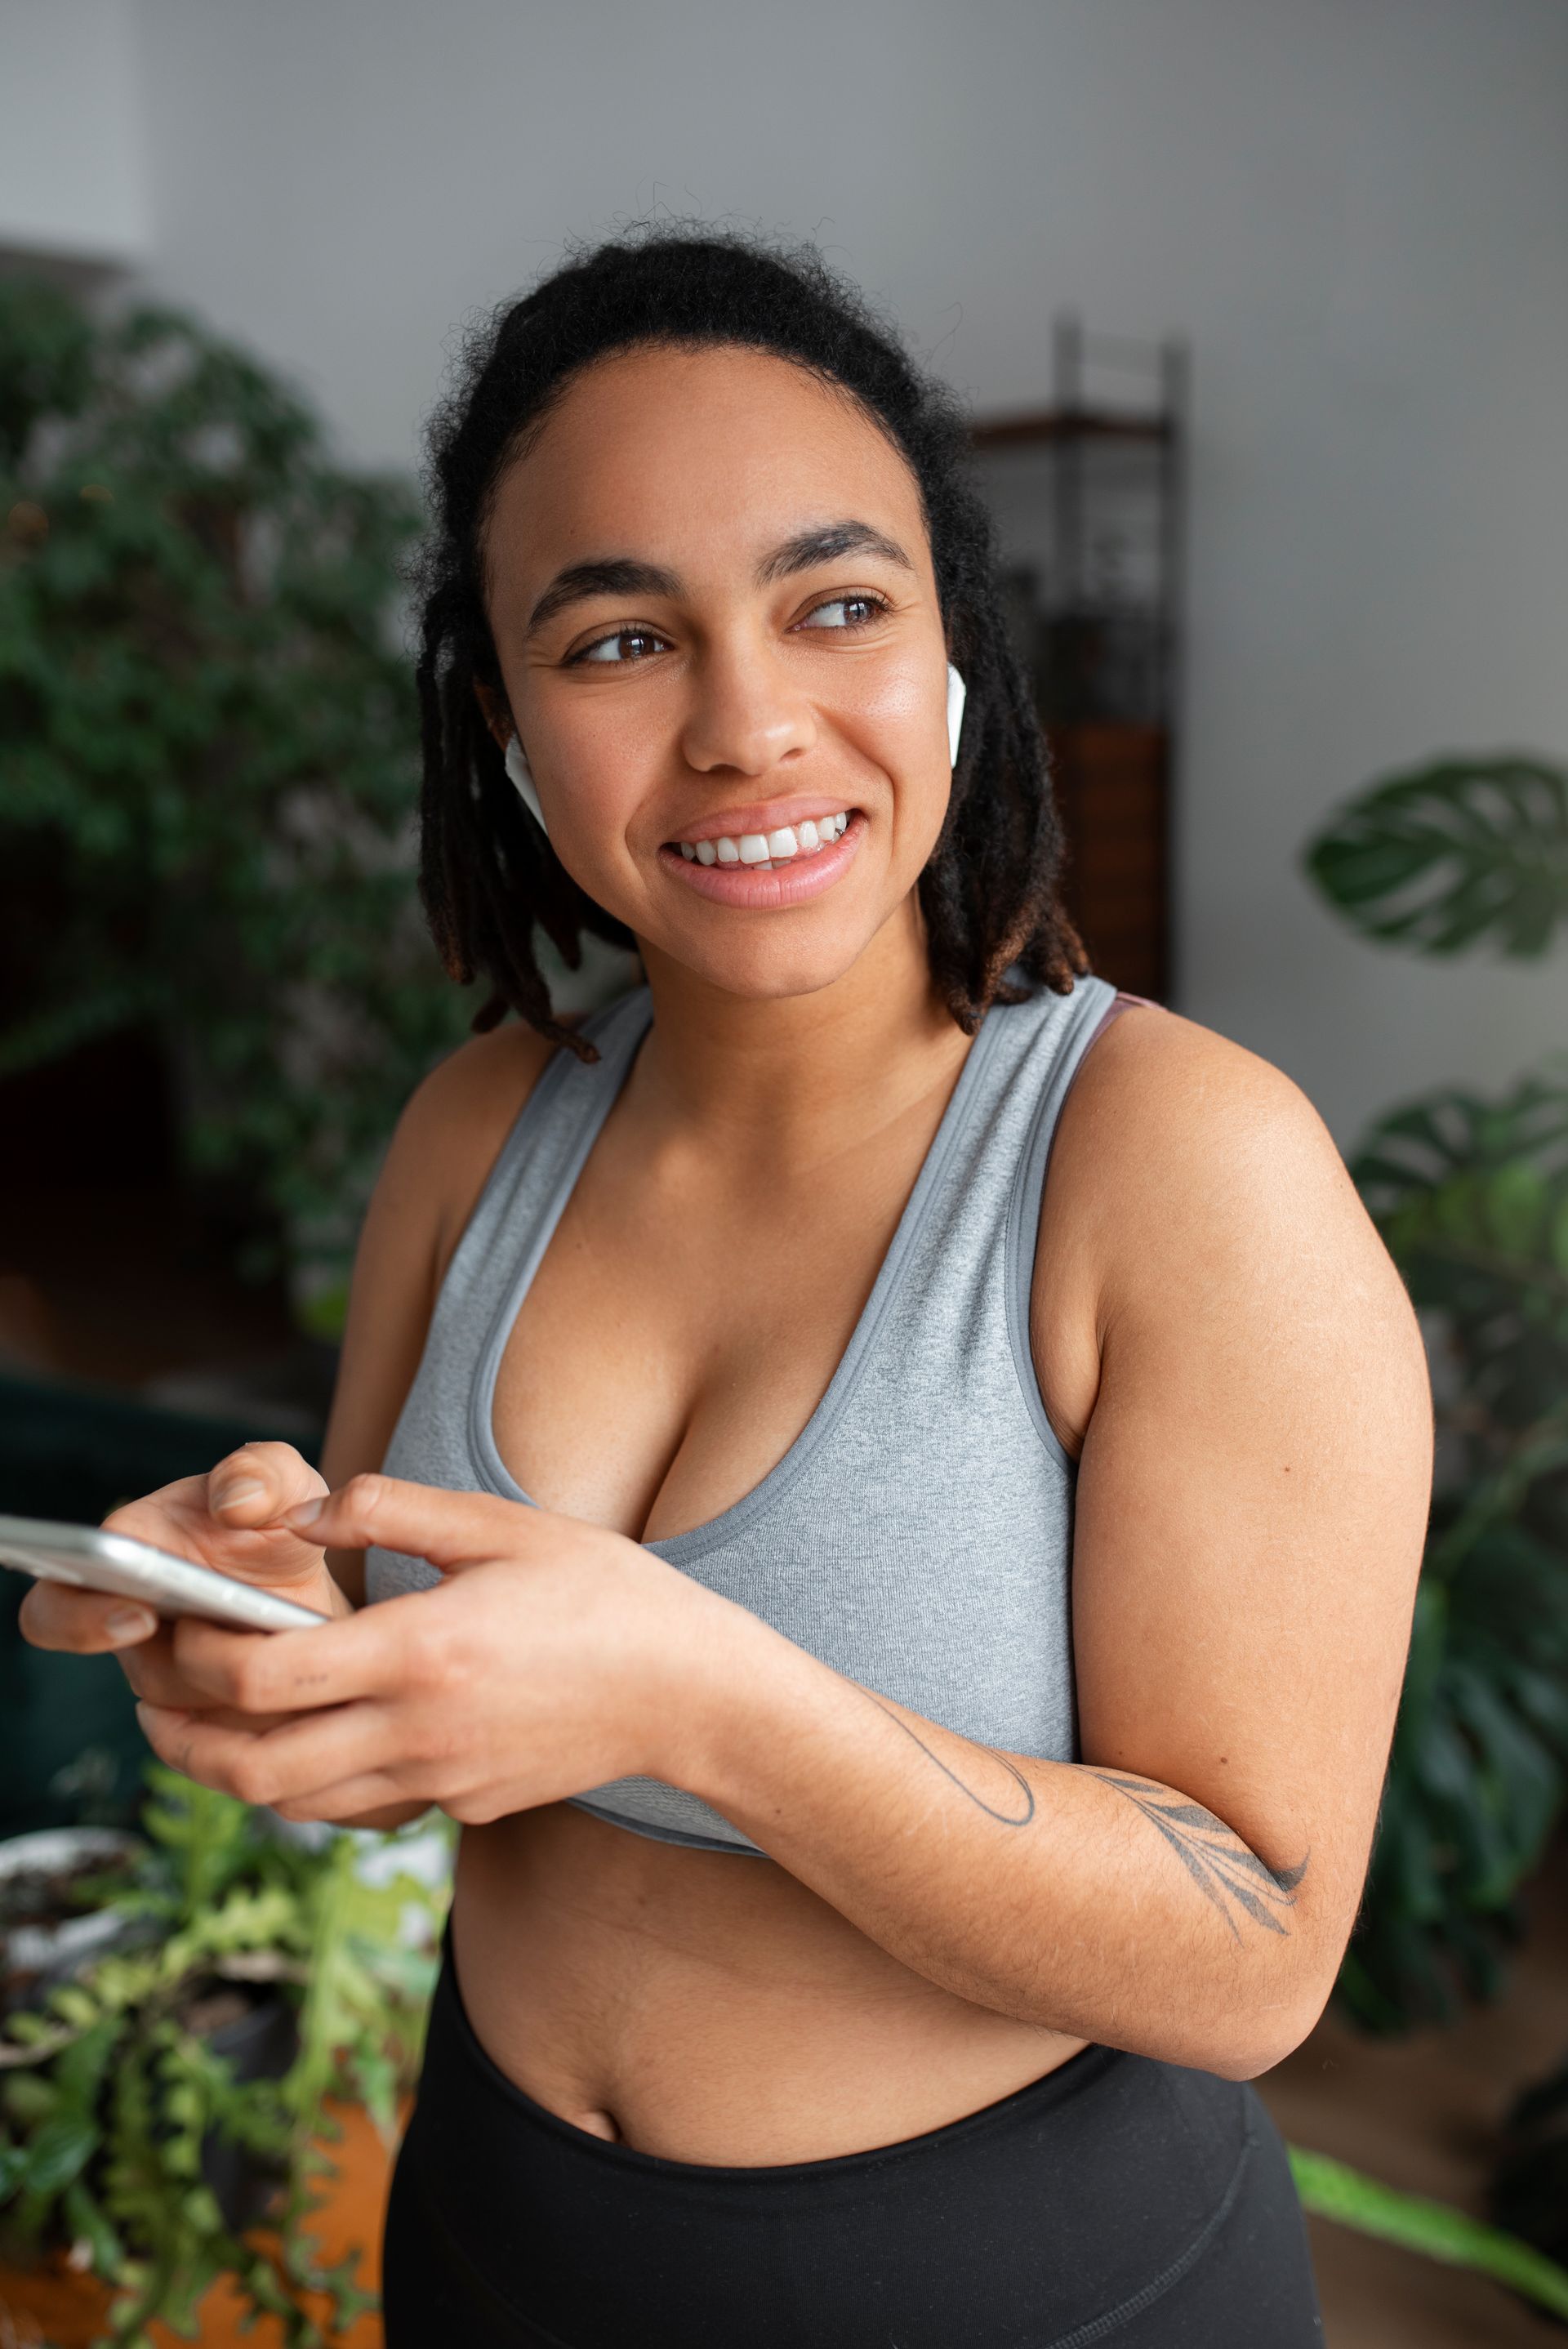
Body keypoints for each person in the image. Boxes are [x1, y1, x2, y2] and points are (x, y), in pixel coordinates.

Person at [23, 230, 1432, 2347]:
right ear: (503, 717)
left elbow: (1250, 1958)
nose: (749, 724)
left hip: (1022, 2294)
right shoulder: (482, 1124)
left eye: (836, 602)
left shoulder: (1172, 1158)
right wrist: (252, 1619)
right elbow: (411, 1656)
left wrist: (697, 1689)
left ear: (958, 651)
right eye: (617, 642)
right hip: (500, 2237)